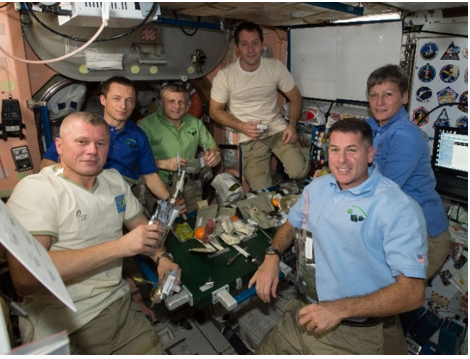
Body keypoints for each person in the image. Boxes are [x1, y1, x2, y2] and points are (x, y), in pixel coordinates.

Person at [248, 118, 428, 355]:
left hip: (349, 334)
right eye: (335, 150)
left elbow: (413, 293)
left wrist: (339, 309)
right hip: (302, 314)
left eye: (351, 150)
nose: (341, 160)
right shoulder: (318, 187)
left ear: (370, 154)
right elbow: (292, 224)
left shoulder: (396, 207)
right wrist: (272, 256)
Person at [7, 112, 181, 355]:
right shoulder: (36, 190)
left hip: (117, 305)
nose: (92, 151)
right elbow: (25, 277)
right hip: (63, 320)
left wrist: (162, 258)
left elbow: (144, 230)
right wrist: (121, 247)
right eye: (82, 142)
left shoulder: (114, 181)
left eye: (100, 144)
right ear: (59, 145)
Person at [364, 64, 452, 354]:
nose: (379, 102)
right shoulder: (376, 127)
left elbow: (381, 191)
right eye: (374, 94)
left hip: (425, 237)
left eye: (388, 94)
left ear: (404, 97)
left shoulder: (405, 136)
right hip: (402, 230)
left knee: (383, 304)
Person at [41, 76, 172, 207]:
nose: (123, 106)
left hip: (123, 194)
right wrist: (66, 188)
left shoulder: (138, 135)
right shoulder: (82, 127)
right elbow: (48, 163)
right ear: (103, 99)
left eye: (129, 100)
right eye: (117, 99)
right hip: (84, 193)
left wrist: (171, 200)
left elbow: (150, 176)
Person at [210, 21, 309, 191]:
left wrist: (292, 125)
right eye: (244, 44)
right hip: (250, 136)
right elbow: (214, 111)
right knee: (262, 191)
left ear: (262, 45)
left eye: (255, 43)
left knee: (300, 172)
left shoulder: (275, 67)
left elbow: (296, 98)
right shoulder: (225, 76)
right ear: (237, 48)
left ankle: (280, 179)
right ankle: (274, 182)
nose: (250, 49)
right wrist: (241, 126)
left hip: (277, 129)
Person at [138, 83, 222, 212]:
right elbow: (136, 162)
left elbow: (214, 148)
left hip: (191, 186)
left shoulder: (195, 123)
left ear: (188, 104)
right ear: (161, 103)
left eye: (181, 102)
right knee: (164, 228)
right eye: (171, 101)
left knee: (197, 223)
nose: (176, 106)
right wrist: (162, 163)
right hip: (161, 185)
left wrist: (215, 155)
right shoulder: (146, 125)